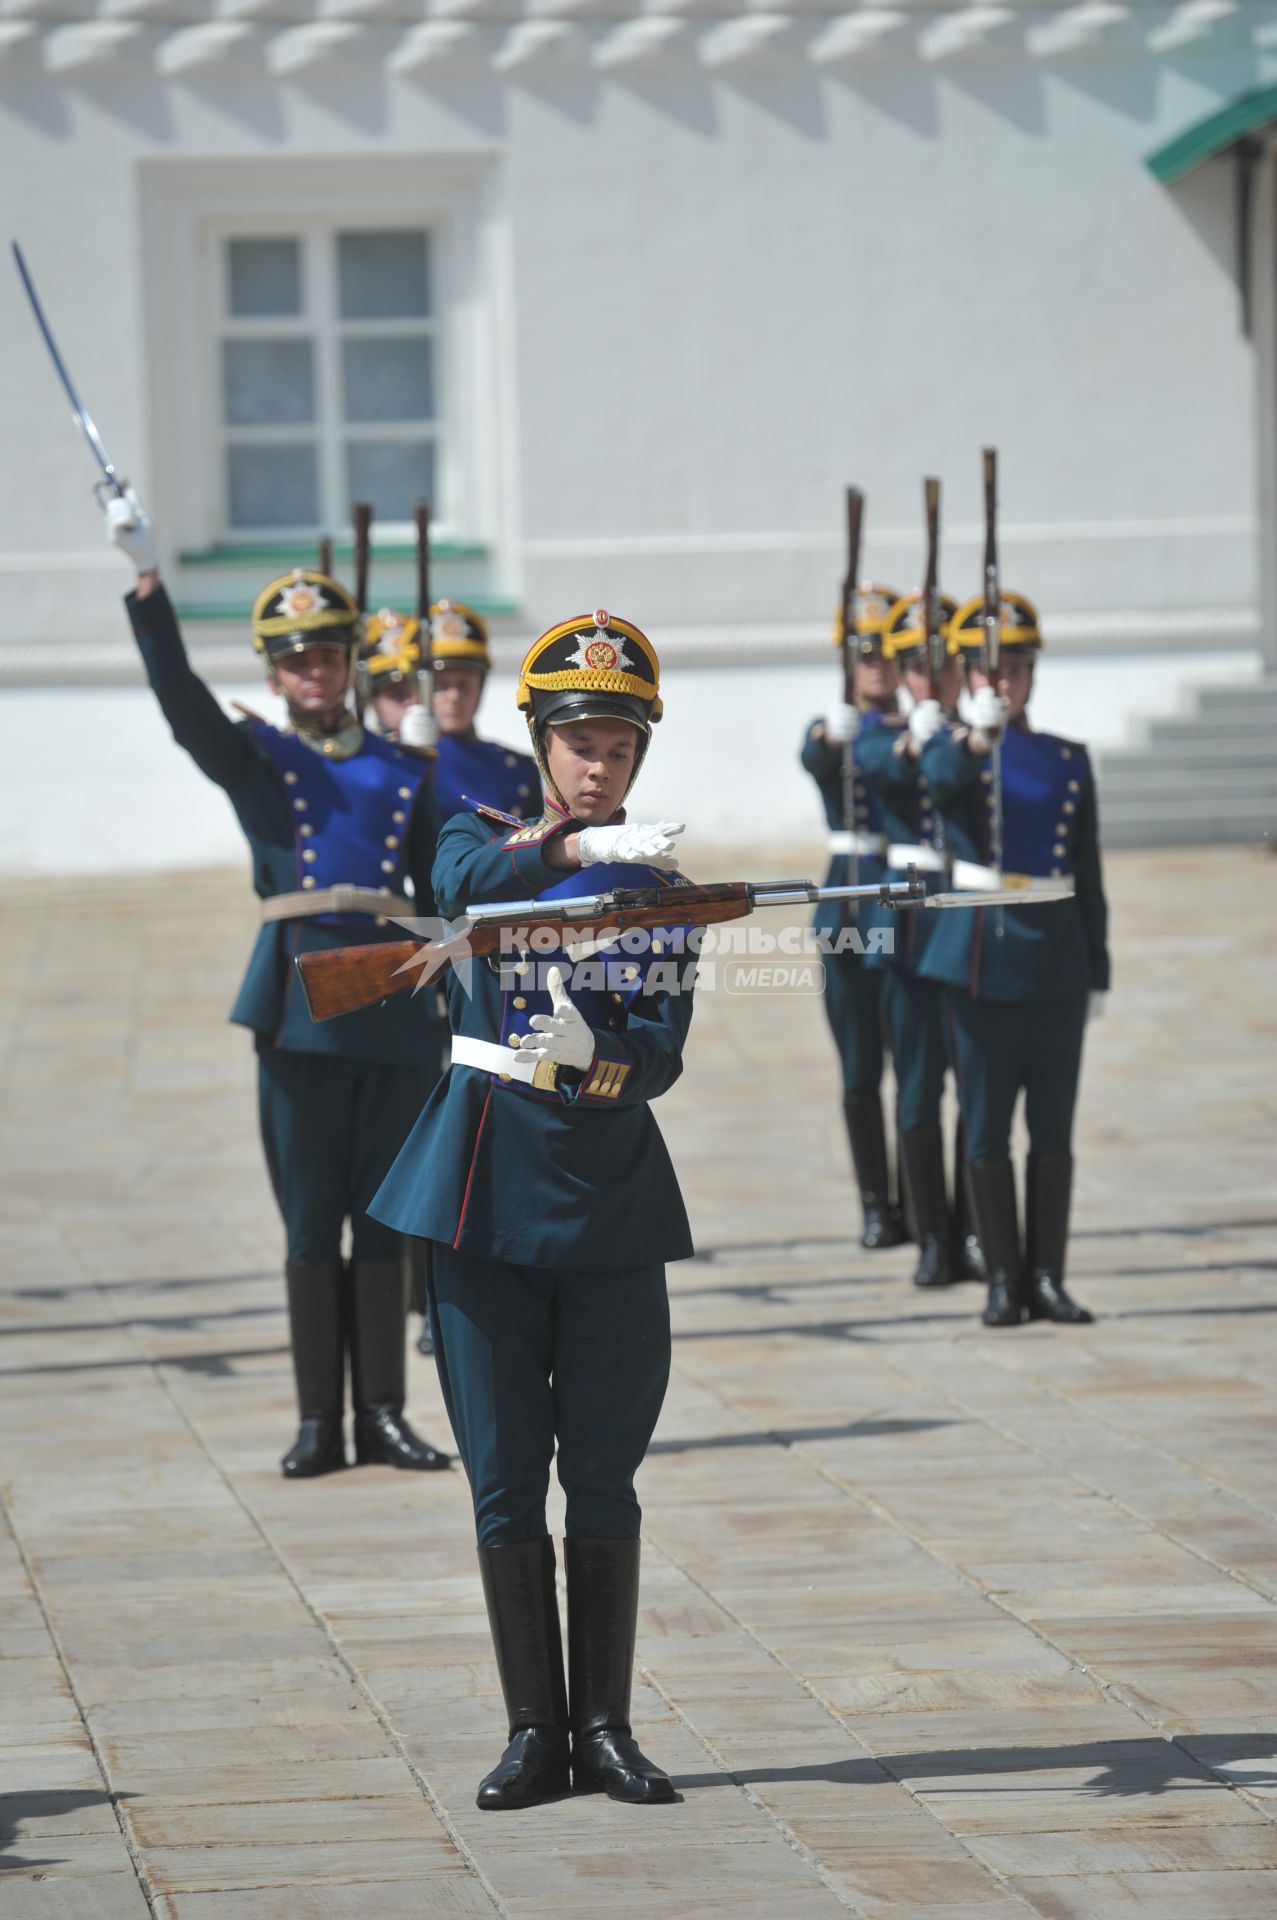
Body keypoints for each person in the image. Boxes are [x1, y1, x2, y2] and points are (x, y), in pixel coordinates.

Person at [370, 609, 691, 1810]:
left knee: (603, 1471)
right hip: (483, 1195)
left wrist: (591, 1044)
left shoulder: (660, 883)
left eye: (615, 741)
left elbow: (656, 1056)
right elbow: (455, 884)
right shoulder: (480, 835)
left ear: (637, 755)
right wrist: (560, 858)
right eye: (576, 741)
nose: (595, 761)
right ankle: (530, 1732)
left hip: (606, 1201)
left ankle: (604, 1726)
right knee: (503, 1473)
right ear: (540, 747)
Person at [104, 490, 452, 1476]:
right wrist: (147, 583)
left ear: (349, 662)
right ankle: (318, 1422)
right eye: (294, 657)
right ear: (274, 670)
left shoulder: (403, 766)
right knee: (310, 1218)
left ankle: (382, 1412)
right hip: (300, 998)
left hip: (389, 992)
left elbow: (442, 886)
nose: (311, 669)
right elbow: (179, 705)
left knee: (384, 1212)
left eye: (326, 653)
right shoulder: (258, 760)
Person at [918, 591, 1110, 1327]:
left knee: (1053, 1129)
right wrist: (971, 739)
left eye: (1016, 671)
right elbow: (936, 784)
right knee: (985, 1124)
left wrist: (1097, 965)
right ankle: (1001, 1277)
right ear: (965, 677)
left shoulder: (1065, 758)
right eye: (989, 673)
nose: (1004, 685)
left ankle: (1047, 1277)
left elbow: (1085, 872)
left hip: (1056, 957)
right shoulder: (952, 752)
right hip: (979, 953)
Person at [856, 591, 978, 1288]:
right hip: (906, 920)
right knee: (916, 1083)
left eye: (941, 664)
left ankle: (972, 1229)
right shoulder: (884, 732)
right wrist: (917, 736)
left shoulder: (978, 734)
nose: (928, 678)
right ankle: (932, 1234)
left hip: (966, 920)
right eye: (914, 665)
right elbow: (882, 766)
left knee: (975, 1085)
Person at [801, 586, 906, 1248]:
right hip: (846, 904)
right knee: (859, 1065)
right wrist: (832, 736)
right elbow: (813, 758)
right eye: (860, 650)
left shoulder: (920, 726)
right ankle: (876, 1202)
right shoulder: (830, 730)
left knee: (918, 1069)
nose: (873, 663)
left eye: (885, 651)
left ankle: (924, 1202)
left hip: (903, 902)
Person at [361, 598, 539, 821]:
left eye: (464, 685)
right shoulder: (388, 761)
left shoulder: (516, 771)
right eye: (439, 686)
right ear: (417, 688)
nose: (454, 696)